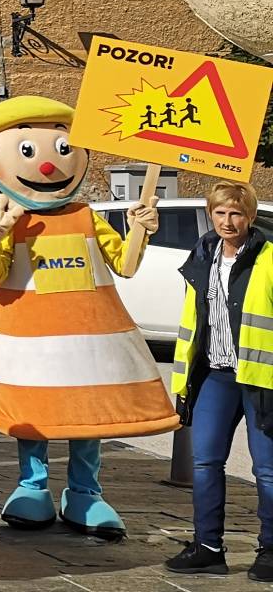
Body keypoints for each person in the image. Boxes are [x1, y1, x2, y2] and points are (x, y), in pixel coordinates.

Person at [0, 96, 175, 540]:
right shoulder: (8, 219)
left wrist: (141, 229)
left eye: (63, 148)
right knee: (33, 416)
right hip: (29, 345)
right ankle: (32, 486)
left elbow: (126, 264)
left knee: (89, 417)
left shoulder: (86, 217)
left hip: (89, 345)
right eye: (27, 151)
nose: (46, 165)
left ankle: (84, 492)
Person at [164, 181, 273, 579]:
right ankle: (208, 547)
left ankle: (271, 551)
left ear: (250, 216)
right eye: (220, 213)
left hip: (262, 380)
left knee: (267, 470)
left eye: (236, 214)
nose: (227, 221)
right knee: (206, 461)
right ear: (211, 214)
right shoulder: (203, 254)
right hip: (215, 373)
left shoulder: (269, 258)